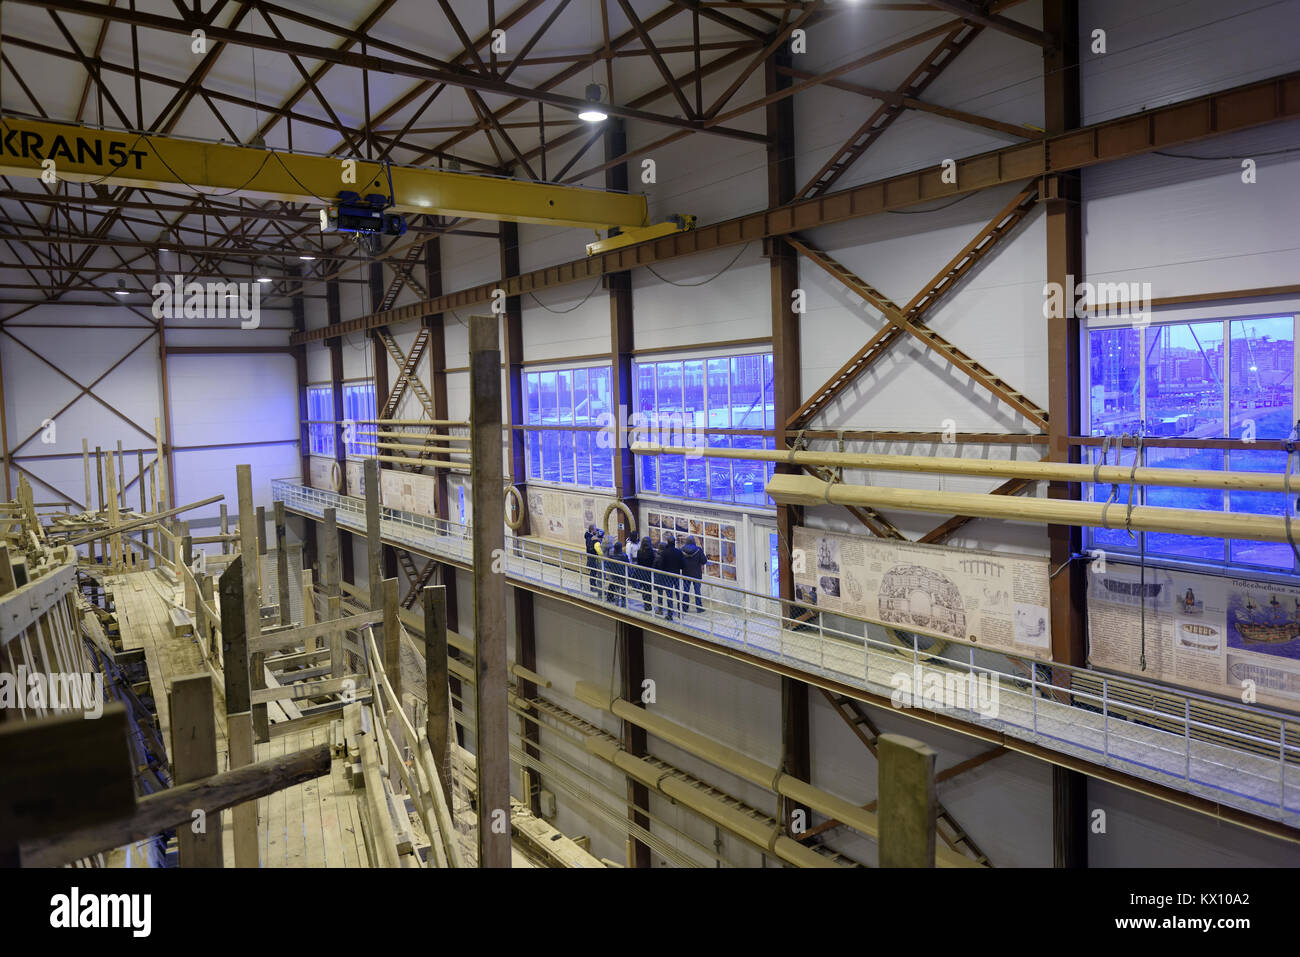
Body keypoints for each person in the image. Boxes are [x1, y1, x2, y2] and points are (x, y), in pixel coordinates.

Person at [655, 532, 685, 622]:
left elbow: (661, 565)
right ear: (674, 542)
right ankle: (680, 612)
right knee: (678, 594)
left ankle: (670, 614)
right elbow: (682, 565)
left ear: (667, 542)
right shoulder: (679, 552)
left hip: (667, 575)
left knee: (669, 595)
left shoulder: (664, 553)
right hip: (676, 575)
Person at [679, 535, 708, 613]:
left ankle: (685, 608)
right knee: (697, 591)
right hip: (696, 574)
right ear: (694, 541)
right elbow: (704, 561)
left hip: (686, 573)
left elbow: (679, 562)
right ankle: (699, 608)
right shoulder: (698, 550)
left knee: (686, 590)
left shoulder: (681, 549)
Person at [603, 539, 627, 606]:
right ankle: (623, 603)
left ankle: (617, 603)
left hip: (615, 575)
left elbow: (607, 565)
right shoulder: (624, 556)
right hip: (622, 575)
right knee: (623, 590)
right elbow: (628, 564)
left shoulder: (612, 556)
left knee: (616, 590)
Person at [634, 534, 655, 609]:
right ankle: (649, 605)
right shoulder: (651, 552)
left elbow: (638, 562)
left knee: (644, 589)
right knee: (649, 589)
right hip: (649, 573)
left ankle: (645, 604)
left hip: (642, 572)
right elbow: (653, 563)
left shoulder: (639, 551)